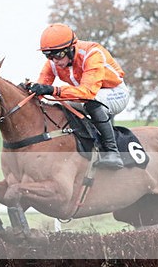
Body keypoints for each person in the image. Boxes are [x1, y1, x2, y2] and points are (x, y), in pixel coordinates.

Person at [28, 23, 129, 169]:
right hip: (85, 94)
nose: (55, 61)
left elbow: (87, 93)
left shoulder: (92, 54)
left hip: (115, 92)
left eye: (58, 55)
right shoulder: (53, 63)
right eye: (49, 56)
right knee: (57, 106)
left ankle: (112, 153)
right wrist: (29, 91)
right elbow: (41, 89)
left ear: (71, 48)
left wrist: (53, 90)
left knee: (91, 103)